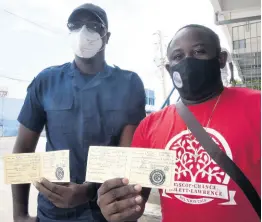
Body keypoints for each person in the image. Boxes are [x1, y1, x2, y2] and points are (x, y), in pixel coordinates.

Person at [97, 24, 261, 222]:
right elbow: (136, 200)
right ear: (169, 68)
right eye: (177, 56)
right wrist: (117, 205)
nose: (188, 61)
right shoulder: (149, 126)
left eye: (199, 51)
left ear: (221, 59)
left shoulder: (256, 106)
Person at [12, 3, 146, 222]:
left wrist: (88, 191)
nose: (83, 32)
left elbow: (128, 157)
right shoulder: (46, 81)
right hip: (52, 213)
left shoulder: (129, 84)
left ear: (107, 36)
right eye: (75, 25)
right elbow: (23, 149)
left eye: (94, 25)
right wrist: (20, 215)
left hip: (107, 213)